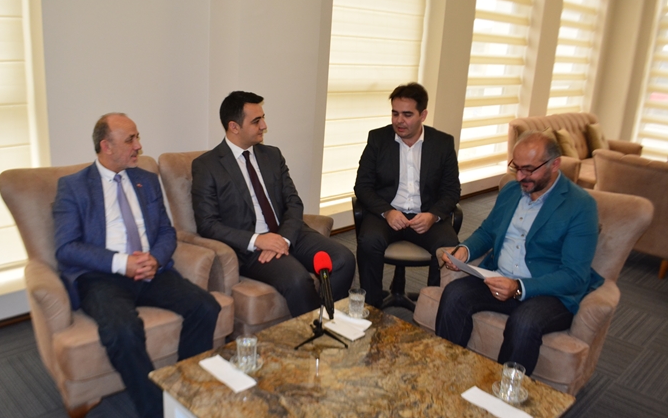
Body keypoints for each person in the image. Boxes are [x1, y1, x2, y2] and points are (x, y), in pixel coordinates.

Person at [53, 113, 221, 418]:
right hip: (103, 277)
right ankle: (160, 414)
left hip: (152, 271)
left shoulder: (146, 179)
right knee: (123, 330)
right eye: (130, 139)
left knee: (205, 306)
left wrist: (155, 258)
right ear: (106, 146)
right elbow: (66, 247)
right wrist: (122, 262)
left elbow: (166, 231)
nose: (138, 146)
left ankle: (186, 389)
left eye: (137, 137)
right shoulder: (73, 187)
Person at [435, 131, 604, 374]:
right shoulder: (511, 191)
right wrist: (465, 250)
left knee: (524, 323)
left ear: (555, 164)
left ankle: (505, 392)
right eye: (517, 167)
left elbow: (574, 275)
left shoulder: (580, 206)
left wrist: (518, 287)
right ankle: (444, 372)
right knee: (455, 294)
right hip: (499, 277)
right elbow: (488, 231)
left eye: (529, 169)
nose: (521, 176)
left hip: (549, 293)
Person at [191, 91, 355, 317]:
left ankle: (327, 321)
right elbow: (207, 224)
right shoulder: (207, 166)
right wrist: (258, 240)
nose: (264, 126)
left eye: (263, 118)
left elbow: (293, 202)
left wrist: (284, 239)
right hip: (251, 248)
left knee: (344, 259)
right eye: (256, 121)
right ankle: (315, 332)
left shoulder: (272, 155)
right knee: (297, 280)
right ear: (234, 126)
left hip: (289, 233)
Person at [354, 82, 461, 307]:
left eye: (407, 114)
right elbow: (362, 186)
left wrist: (433, 215)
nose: (399, 121)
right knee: (369, 242)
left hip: (425, 215)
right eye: (395, 113)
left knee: (448, 246)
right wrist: (387, 212)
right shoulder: (378, 139)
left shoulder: (442, 144)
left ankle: (432, 307)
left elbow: (452, 190)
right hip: (388, 213)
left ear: (423, 115)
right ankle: (372, 308)